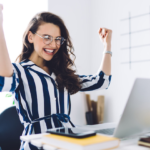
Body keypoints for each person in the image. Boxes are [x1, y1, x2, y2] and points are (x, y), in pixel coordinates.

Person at [0, 4, 112, 150]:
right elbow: (4, 81)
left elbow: (102, 82)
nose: (53, 44)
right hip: (36, 145)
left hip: (68, 143)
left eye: (58, 39)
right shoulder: (20, 72)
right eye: (47, 38)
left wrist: (107, 46)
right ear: (30, 37)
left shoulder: (62, 74)